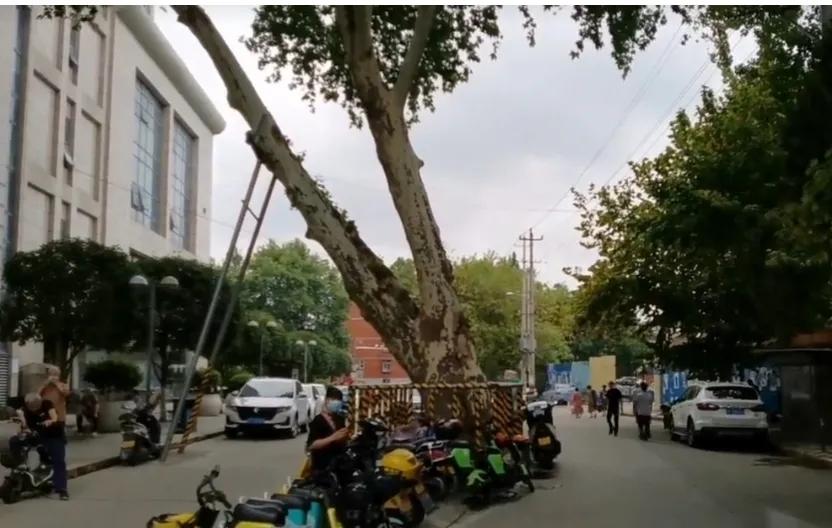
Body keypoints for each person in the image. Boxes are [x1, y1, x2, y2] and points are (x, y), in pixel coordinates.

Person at [17, 392, 68, 500]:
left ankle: (61, 488)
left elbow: (55, 417)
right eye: (32, 407)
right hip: (37, 435)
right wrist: (22, 418)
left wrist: (51, 421)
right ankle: (18, 470)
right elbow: (24, 427)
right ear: (27, 404)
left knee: (58, 459)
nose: (34, 409)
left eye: (37, 406)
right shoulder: (24, 409)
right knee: (15, 441)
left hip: (54, 434)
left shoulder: (47, 404)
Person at [38, 366, 69, 500]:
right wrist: (44, 384)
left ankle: (61, 488)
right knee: (44, 454)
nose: (54, 376)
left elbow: (66, 394)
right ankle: (47, 481)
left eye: (56, 374)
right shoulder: (44, 387)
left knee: (58, 457)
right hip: (44, 423)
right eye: (51, 374)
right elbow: (35, 398)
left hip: (57, 424)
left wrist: (57, 384)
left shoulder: (62, 386)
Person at [306, 386, 350, 474]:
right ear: (327, 400)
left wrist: (346, 437)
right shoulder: (318, 421)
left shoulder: (340, 419)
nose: (336, 403)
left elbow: (344, 441)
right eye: (334, 399)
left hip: (340, 464)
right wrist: (332, 438)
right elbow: (311, 445)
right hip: (323, 466)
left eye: (338, 401)